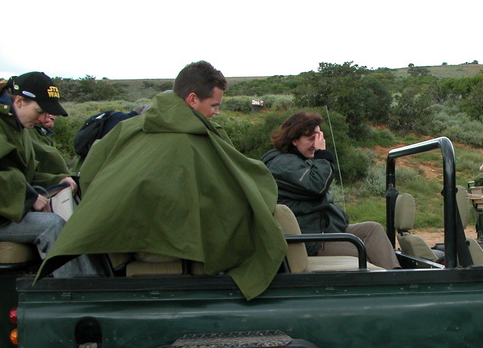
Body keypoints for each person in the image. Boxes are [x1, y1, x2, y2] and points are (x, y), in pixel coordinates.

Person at [39, 61, 288, 298]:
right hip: (161, 247)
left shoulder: (130, 127)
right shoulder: (190, 140)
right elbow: (223, 189)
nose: (216, 112)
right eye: (214, 105)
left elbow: (91, 174)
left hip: (126, 239)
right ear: (192, 99)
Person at [0, 72, 99, 276]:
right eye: (39, 110)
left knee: (77, 220)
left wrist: (57, 180)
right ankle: (79, 296)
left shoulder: (14, 126)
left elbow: (25, 174)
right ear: (20, 101)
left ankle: (93, 283)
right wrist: (28, 197)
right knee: (52, 226)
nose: (42, 118)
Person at [261, 112, 400, 269]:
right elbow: (318, 185)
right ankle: (394, 286)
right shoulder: (282, 164)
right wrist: (322, 155)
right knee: (364, 252)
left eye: (318, 138)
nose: (316, 144)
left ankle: (401, 280)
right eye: (310, 139)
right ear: (294, 140)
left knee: (372, 229)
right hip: (311, 240)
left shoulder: (294, 160)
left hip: (321, 230)